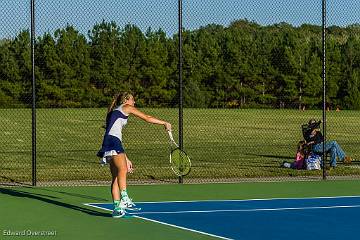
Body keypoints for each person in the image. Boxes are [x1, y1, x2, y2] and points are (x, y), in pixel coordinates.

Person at [97, 92, 172, 218]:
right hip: (113, 141)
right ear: (126, 100)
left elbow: (114, 135)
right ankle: (125, 198)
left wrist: (126, 157)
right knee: (123, 169)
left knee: (115, 177)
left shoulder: (114, 111)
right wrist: (164, 122)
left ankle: (117, 209)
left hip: (109, 142)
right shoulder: (127, 107)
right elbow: (147, 117)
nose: (134, 102)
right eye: (132, 100)